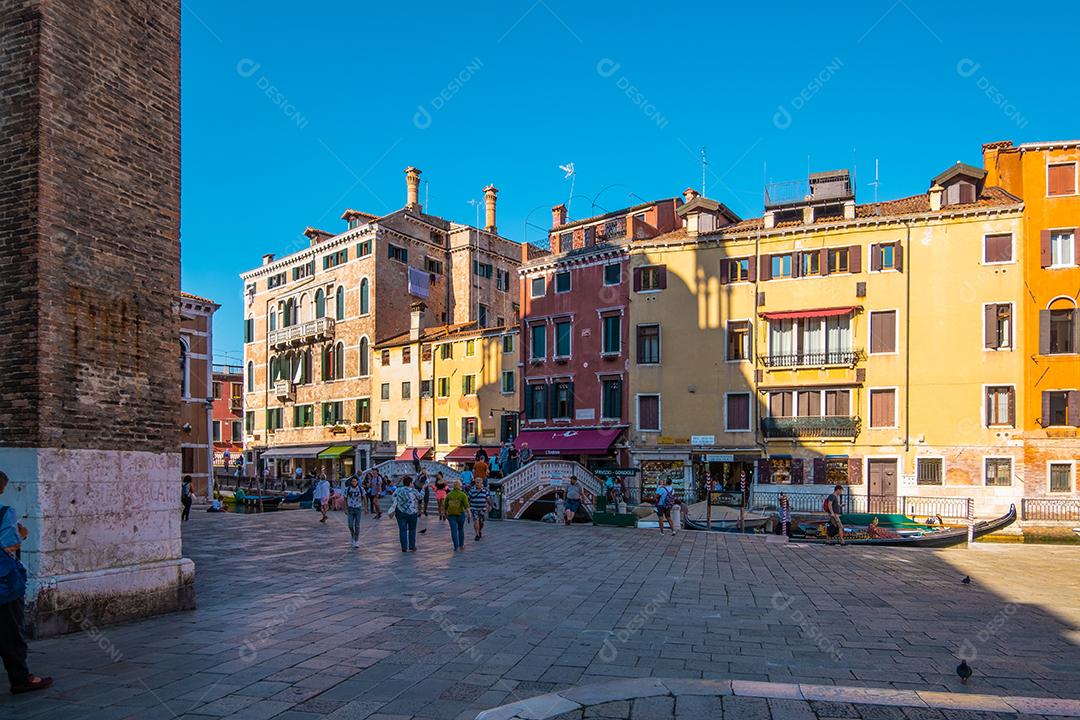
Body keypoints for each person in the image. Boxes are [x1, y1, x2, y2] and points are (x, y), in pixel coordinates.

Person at [0, 471, 53, 694]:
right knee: (11, 632)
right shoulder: (5, 513)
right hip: (4, 585)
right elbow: (8, 545)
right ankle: (20, 678)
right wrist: (21, 534)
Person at [393, 477, 422, 552]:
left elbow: (393, 497)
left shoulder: (399, 489)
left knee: (402, 530)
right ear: (410, 483)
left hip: (400, 511)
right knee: (412, 529)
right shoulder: (413, 491)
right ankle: (412, 546)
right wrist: (423, 489)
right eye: (412, 483)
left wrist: (399, 503)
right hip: (412, 512)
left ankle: (404, 547)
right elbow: (420, 497)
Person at [445, 480, 470, 551]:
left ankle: (455, 546)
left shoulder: (449, 494)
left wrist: (445, 513)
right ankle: (461, 545)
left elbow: (445, 505)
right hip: (460, 514)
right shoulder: (462, 495)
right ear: (460, 486)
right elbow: (467, 506)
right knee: (460, 529)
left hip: (451, 515)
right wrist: (469, 514)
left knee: (453, 530)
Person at [344, 475, 365, 548]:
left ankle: (356, 540)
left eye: (355, 481)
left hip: (358, 508)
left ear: (357, 482)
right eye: (352, 481)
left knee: (357, 525)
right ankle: (353, 536)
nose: (354, 482)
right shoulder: (347, 489)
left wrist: (365, 507)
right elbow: (345, 498)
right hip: (350, 508)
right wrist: (345, 508)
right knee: (350, 525)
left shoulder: (360, 489)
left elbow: (364, 497)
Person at [467, 477, 489, 541]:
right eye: (476, 482)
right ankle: (477, 534)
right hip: (474, 508)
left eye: (478, 482)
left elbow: (488, 498)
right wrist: (467, 508)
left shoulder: (485, 490)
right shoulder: (472, 490)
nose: (477, 484)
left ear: (481, 483)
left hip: (482, 509)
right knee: (476, 520)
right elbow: (468, 499)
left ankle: (479, 530)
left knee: (481, 522)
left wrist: (490, 505)